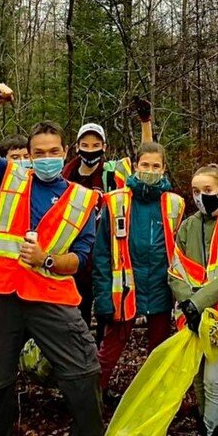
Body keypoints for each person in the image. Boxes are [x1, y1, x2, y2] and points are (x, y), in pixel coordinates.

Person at [0, 84, 103, 436]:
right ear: (30, 155)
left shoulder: (81, 198)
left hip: (52, 294)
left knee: (84, 371)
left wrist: (48, 259)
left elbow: (81, 259)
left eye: (53, 152)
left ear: (65, 154)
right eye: (38, 153)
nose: (45, 159)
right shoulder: (8, 176)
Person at [92, 141, 184, 395]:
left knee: (159, 353)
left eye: (156, 166)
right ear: (135, 166)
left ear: (164, 169)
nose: (150, 170)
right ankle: (92, 402)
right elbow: (101, 255)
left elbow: (180, 252)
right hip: (123, 293)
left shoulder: (175, 204)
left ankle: (154, 402)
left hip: (161, 291)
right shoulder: (115, 202)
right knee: (108, 351)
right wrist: (103, 300)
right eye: (145, 165)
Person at [168, 164, 218, 436]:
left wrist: (198, 302)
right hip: (192, 317)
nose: (200, 197)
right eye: (195, 191)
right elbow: (176, 270)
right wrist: (188, 304)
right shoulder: (188, 226)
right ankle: (204, 431)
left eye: (207, 191)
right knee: (197, 381)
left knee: (214, 379)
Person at [64, 101, 155, 330]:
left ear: (104, 147)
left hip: (108, 255)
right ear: (77, 147)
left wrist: (145, 123)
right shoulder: (66, 176)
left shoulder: (115, 171)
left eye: (96, 144)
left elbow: (147, 159)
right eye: (85, 144)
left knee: (108, 313)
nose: (90, 149)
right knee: (78, 312)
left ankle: (101, 358)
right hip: (76, 254)